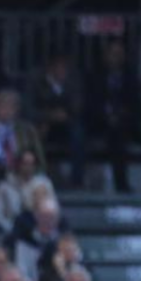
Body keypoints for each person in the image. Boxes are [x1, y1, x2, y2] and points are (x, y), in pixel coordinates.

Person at [86, 40, 141, 193]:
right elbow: (90, 103)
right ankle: (87, 184)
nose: (116, 57)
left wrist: (122, 114)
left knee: (119, 134)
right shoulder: (95, 75)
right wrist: (107, 115)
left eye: (119, 54)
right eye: (113, 54)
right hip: (99, 121)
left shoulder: (130, 75)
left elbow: (136, 104)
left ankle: (121, 183)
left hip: (122, 123)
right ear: (105, 55)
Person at [30, 53, 83, 188]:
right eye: (59, 68)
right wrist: (49, 116)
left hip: (67, 124)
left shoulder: (72, 82)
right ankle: (38, 175)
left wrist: (64, 115)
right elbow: (29, 109)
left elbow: (78, 106)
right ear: (51, 69)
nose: (62, 72)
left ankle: (76, 180)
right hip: (44, 123)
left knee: (78, 134)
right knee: (35, 134)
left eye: (65, 68)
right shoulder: (37, 82)